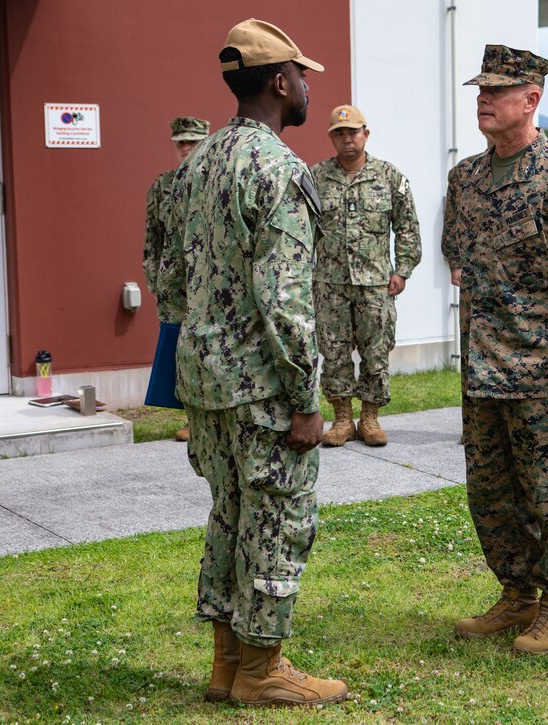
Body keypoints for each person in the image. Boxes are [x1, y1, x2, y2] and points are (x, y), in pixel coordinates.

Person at [156, 18, 346, 707]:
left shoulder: (196, 164)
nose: (307, 89)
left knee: (229, 513)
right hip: (263, 382)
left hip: (207, 380)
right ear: (278, 81)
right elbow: (285, 298)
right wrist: (306, 399)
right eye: (302, 76)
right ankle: (263, 671)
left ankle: (226, 662)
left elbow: (172, 278)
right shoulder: (278, 168)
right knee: (278, 517)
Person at [443, 44, 548, 657]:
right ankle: (515, 594)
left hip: (547, 370)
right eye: (480, 90)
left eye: (497, 90)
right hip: (485, 368)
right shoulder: (465, 178)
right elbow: (457, 258)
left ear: (531, 99)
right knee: (490, 491)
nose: (483, 99)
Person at [311, 104, 421, 448]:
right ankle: (342, 419)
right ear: (331, 138)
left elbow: (407, 227)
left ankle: (370, 418)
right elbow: (302, 229)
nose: (347, 139)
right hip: (329, 284)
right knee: (335, 352)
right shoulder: (315, 178)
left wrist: (402, 270)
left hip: (376, 284)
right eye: (339, 134)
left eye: (353, 132)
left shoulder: (389, 177)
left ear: (365, 135)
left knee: (376, 352)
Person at [143, 115, 209, 443]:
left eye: (193, 142)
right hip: (175, 288)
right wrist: (154, 280)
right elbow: (152, 239)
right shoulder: (161, 186)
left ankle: (212, 416)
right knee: (180, 351)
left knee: (210, 349)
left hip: (212, 285)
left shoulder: (216, 180)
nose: (186, 148)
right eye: (181, 142)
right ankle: (190, 417)